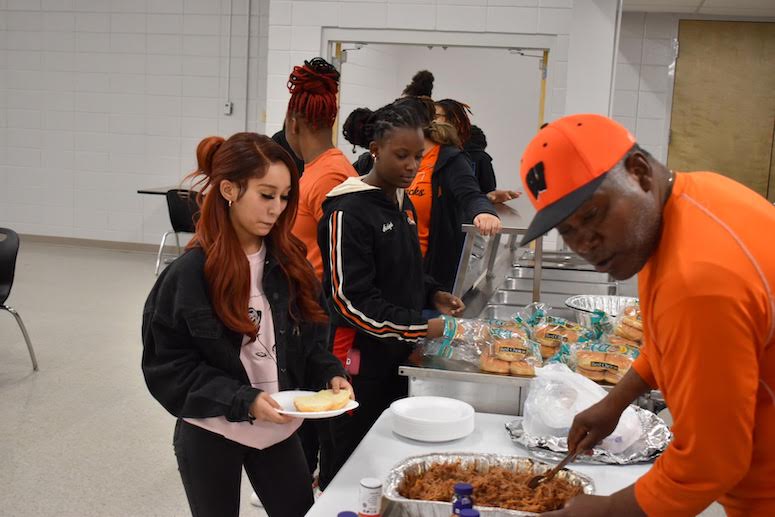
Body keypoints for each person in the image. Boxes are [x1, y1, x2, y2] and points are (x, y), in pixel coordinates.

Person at [515, 114, 775, 517]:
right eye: (566, 230)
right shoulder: (692, 203)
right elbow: (671, 341)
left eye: (593, 214)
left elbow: (710, 461)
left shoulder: (697, 279)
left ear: (638, 172)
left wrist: (605, 511)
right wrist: (615, 401)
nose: (585, 243)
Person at [141, 133, 353, 517]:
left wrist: (329, 372)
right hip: (212, 430)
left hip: (279, 431)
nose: (276, 208)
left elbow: (311, 341)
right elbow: (168, 368)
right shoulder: (189, 276)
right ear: (229, 190)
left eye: (285, 197)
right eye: (266, 194)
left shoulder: (292, 265)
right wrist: (243, 399)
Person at [317, 101, 466, 487]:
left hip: (395, 350)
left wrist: (433, 293)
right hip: (355, 360)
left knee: (386, 456)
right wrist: (420, 326)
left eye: (418, 156)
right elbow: (349, 302)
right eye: (401, 156)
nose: (411, 166)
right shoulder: (347, 211)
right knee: (349, 459)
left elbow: (407, 270)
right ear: (375, 150)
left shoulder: (403, 204)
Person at [283, 56, 359, 491]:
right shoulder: (316, 170)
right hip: (307, 307)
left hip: (321, 312)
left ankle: (312, 480)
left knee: (319, 406)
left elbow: (341, 260)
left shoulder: (329, 174)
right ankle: (305, 475)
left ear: (293, 120)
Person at [399, 95, 502, 292]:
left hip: (429, 271)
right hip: (393, 269)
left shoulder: (449, 159)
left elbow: (471, 194)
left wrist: (484, 212)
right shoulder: (387, 158)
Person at [434, 98, 519, 204]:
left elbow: (482, 192)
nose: (430, 121)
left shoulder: (474, 157)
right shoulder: (424, 152)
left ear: (454, 120)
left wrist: (489, 197)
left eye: (435, 117)